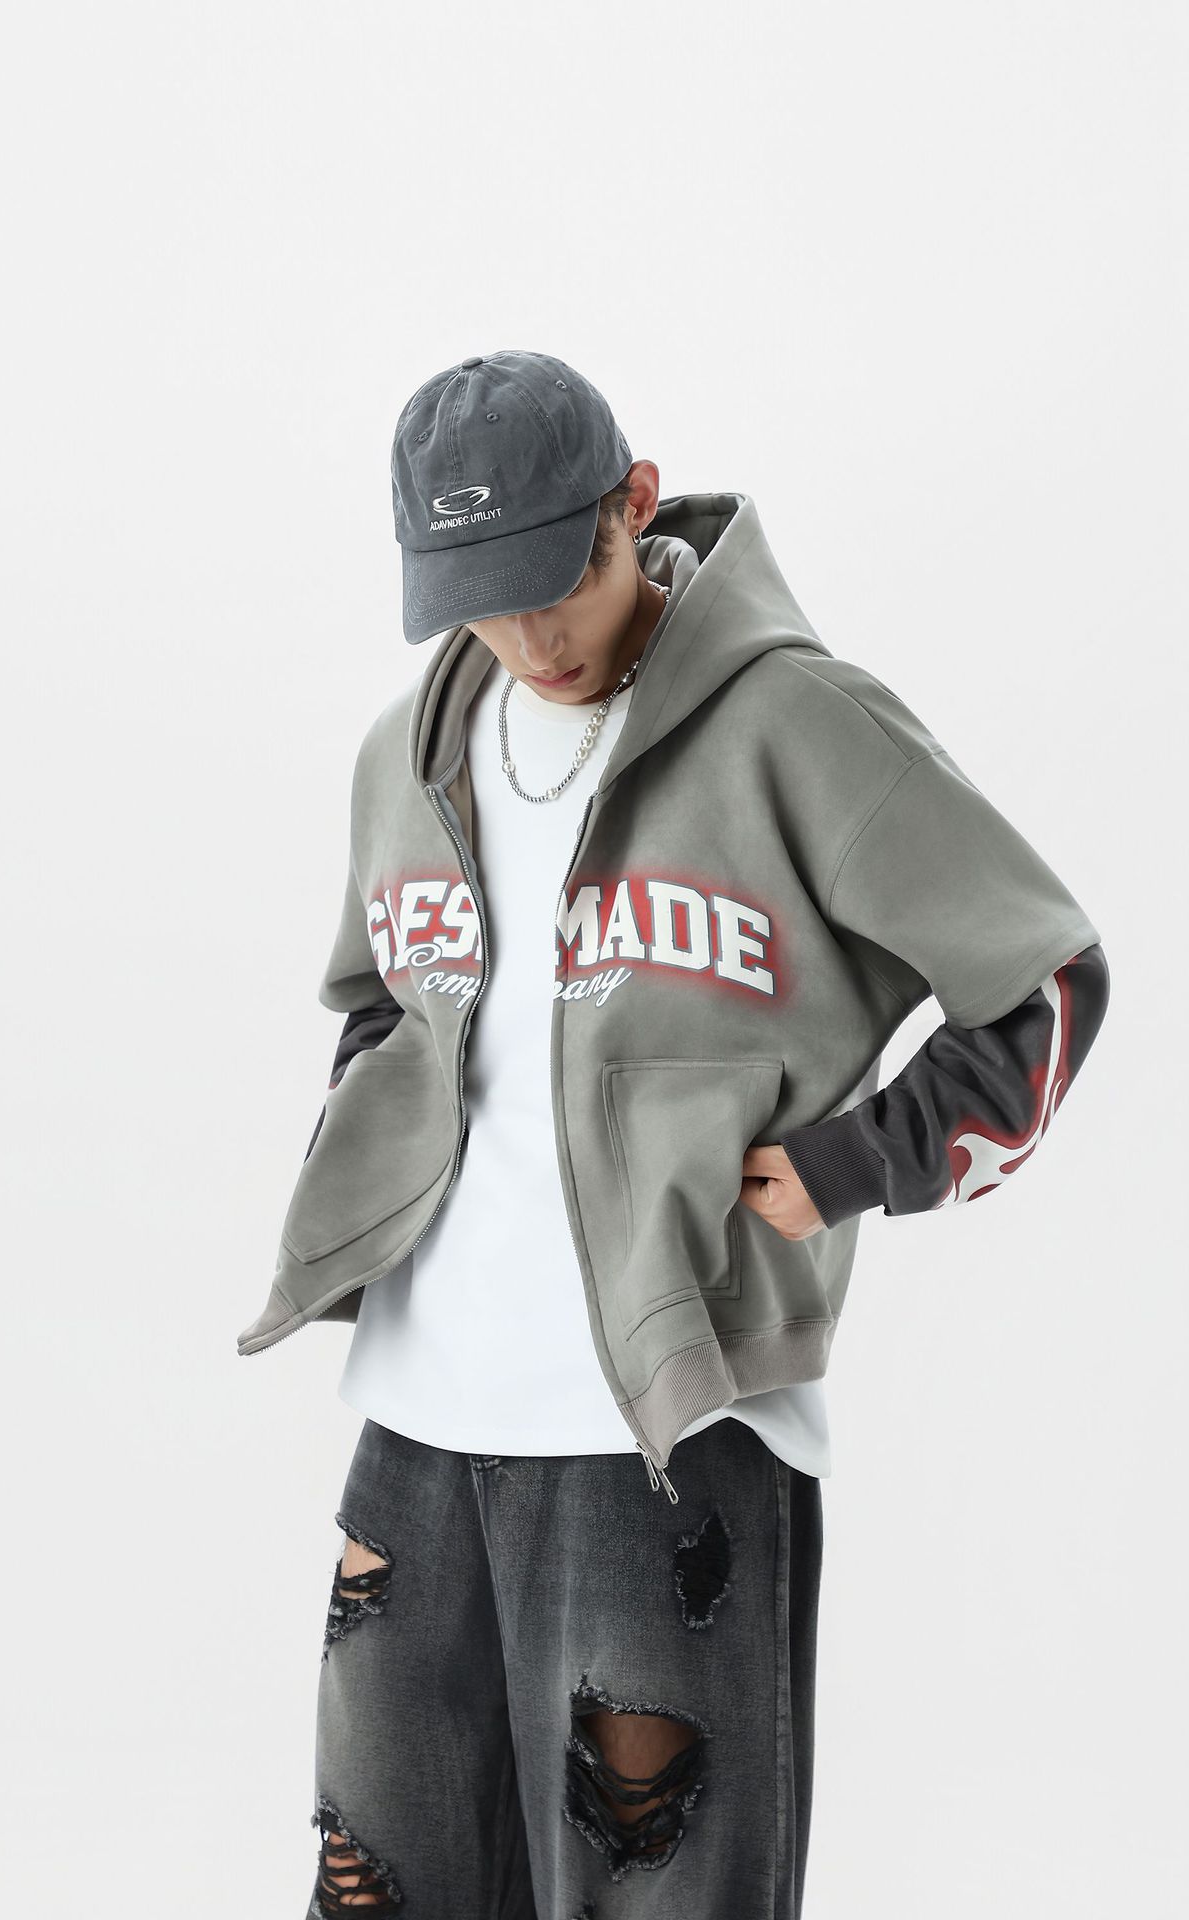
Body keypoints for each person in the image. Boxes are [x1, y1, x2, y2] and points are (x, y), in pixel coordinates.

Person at [238, 349, 1110, 1917]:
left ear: (633, 504)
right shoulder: (407, 751)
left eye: (556, 583)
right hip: (418, 1421)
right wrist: (362, 1157)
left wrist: (860, 1162)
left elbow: (1045, 981)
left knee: (659, 1893)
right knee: (379, 1886)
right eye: (480, 603)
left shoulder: (799, 725)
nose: (531, 639)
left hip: (667, 1427)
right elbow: (382, 1003)